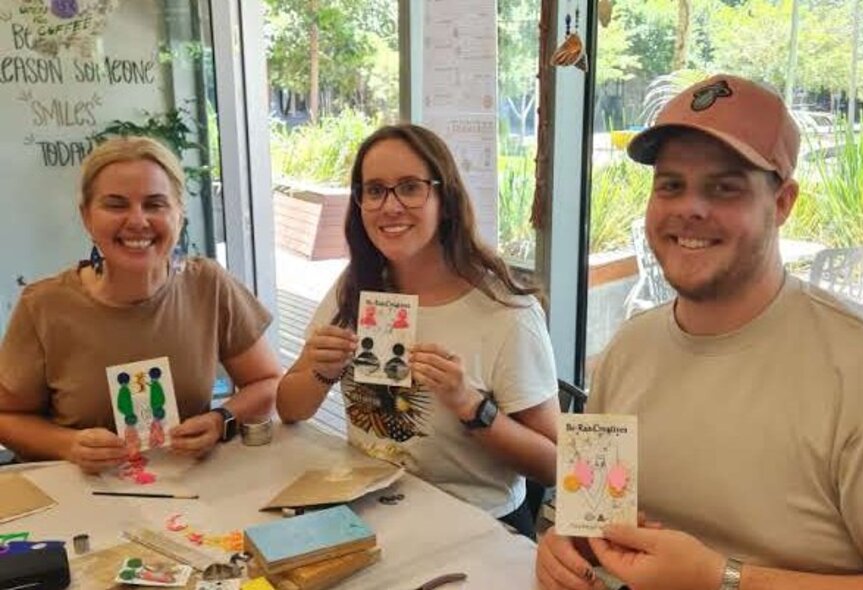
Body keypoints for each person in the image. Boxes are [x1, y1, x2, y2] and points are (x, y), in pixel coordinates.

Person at [537, 74, 863, 589]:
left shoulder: (862, 366)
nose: (689, 209)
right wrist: (562, 547)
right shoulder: (627, 349)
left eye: (725, 187)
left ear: (783, 203)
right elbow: (588, 518)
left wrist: (722, 580)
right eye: (671, 184)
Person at [276, 123, 559, 537]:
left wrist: (470, 406)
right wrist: (320, 371)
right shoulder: (354, 287)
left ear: (445, 200)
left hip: (477, 527)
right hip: (368, 509)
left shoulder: (507, 313)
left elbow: (555, 464)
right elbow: (289, 408)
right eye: (374, 190)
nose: (389, 206)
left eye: (410, 187)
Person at [0, 136, 281, 473]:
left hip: (190, 496)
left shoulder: (208, 285)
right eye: (116, 205)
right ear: (87, 217)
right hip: (82, 501)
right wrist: (69, 445)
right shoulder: (44, 305)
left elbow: (267, 382)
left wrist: (223, 419)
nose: (137, 220)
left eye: (155, 204)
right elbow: (8, 416)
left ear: (179, 214)